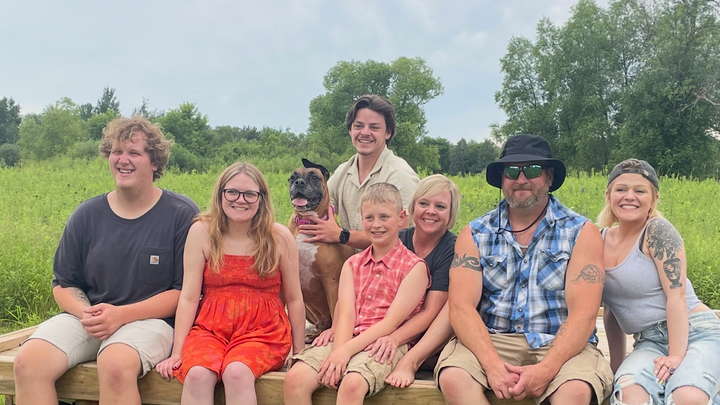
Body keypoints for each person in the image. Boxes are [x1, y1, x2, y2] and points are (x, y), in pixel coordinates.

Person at [13, 116, 200, 405]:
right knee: (28, 362)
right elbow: (63, 283)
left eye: (134, 153)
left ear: (155, 162)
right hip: (91, 317)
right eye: (116, 151)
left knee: (114, 365)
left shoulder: (181, 214)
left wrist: (120, 315)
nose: (123, 160)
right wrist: (88, 314)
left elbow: (185, 292)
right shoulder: (86, 215)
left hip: (154, 322)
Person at [436, 134, 613, 405]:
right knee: (454, 378)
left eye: (532, 170)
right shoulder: (476, 233)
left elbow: (584, 314)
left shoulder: (581, 232)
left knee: (575, 391)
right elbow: (461, 307)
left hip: (559, 342)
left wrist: (547, 369)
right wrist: (492, 365)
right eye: (511, 171)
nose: (521, 179)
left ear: (549, 177)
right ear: (502, 178)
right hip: (493, 339)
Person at [155, 162, 305, 405]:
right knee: (197, 374)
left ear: (261, 198)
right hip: (211, 328)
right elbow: (189, 297)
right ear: (220, 194)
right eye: (232, 192)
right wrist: (177, 352)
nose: (240, 200)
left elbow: (295, 299)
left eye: (250, 194)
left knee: (237, 372)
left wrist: (299, 354)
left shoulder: (278, 237)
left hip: (264, 331)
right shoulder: (202, 231)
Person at [283, 182, 430, 405]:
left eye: (384, 217)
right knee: (295, 378)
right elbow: (346, 314)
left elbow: (390, 324)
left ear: (401, 218)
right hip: (347, 336)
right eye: (369, 218)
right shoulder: (352, 264)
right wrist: (338, 353)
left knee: (352, 384)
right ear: (362, 219)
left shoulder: (414, 268)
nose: (376, 224)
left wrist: (344, 353)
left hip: (383, 344)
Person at [313, 175, 461, 388]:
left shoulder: (450, 249)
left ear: (451, 213)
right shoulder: (398, 235)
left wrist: (395, 338)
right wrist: (337, 329)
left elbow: (430, 312)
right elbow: (356, 284)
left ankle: (412, 361)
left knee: (454, 302)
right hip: (379, 329)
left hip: (424, 335)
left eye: (440, 206)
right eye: (424, 203)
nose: (431, 211)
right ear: (412, 208)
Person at [599, 158, 720, 405]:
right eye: (621, 189)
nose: (629, 196)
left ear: (654, 199)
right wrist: (616, 366)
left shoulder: (657, 232)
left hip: (697, 331)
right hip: (649, 341)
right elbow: (611, 309)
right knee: (629, 393)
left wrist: (676, 356)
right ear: (609, 196)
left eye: (640, 191)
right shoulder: (598, 239)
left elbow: (676, 297)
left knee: (687, 395)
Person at [299, 94, 420, 249]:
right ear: (350, 130)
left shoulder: (401, 175)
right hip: (350, 262)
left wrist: (342, 235)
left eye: (374, 127)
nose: (365, 132)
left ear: (388, 133)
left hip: (390, 263)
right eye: (358, 126)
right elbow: (321, 209)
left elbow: (403, 236)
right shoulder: (342, 172)